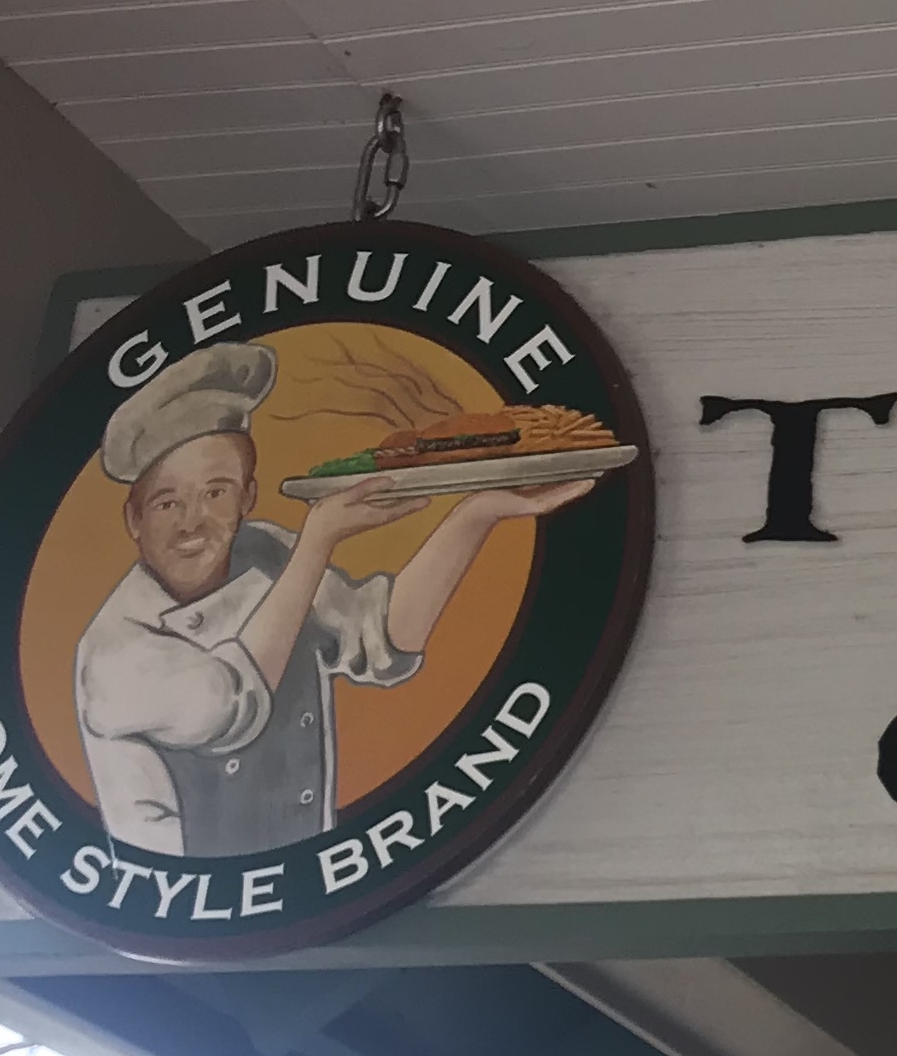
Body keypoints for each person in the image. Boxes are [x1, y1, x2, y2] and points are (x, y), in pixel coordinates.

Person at [71, 342, 590, 859]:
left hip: (306, 865)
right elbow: (232, 704)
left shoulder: (270, 552)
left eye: (217, 492)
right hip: (198, 899)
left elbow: (380, 639)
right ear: (133, 520)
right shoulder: (115, 650)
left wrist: (478, 512)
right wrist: (318, 540)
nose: (192, 521)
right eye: (167, 502)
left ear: (248, 499)